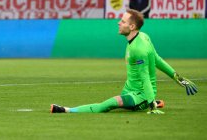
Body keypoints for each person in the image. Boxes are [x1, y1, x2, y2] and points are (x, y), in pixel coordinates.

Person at [51, 9, 198, 114]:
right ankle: (153, 101)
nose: (118, 23)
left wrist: (151, 105)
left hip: (139, 95)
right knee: (122, 99)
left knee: (107, 105)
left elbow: (145, 76)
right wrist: (178, 78)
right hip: (129, 89)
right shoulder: (143, 36)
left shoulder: (138, 49)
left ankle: (65, 110)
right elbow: (157, 59)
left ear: (132, 26)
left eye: (122, 21)